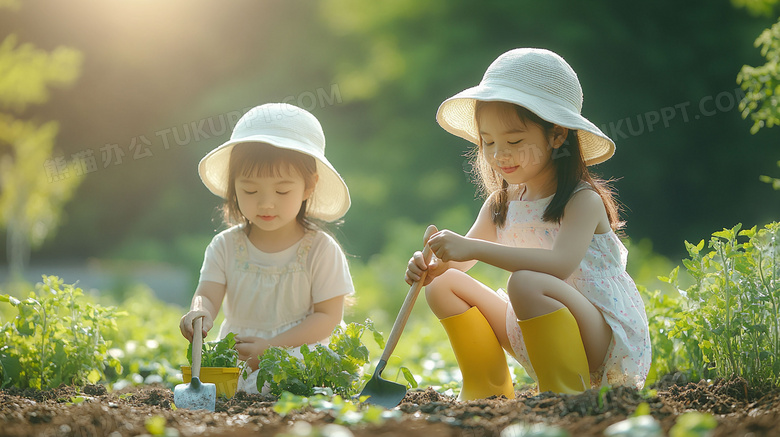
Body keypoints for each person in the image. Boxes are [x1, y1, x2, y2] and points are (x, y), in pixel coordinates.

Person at [405, 48, 651, 400]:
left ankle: (567, 395)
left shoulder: (582, 200)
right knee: (443, 286)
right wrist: (432, 266)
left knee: (526, 282)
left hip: (593, 335)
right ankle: (487, 392)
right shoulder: (501, 204)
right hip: (530, 326)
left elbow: (559, 265)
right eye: (488, 142)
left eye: (515, 141)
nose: (499, 154)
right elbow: (460, 261)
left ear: (557, 135)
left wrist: (473, 247)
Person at [180, 103, 354, 394]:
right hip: (241, 357)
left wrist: (272, 348)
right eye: (250, 190)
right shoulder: (225, 246)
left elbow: (328, 317)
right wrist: (199, 313)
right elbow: (207, 295)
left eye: (282, 190)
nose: (266, 203)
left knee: (299, 389)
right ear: (233, 186)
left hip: (297, 355)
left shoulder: (320, 250)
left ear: (309, 186)